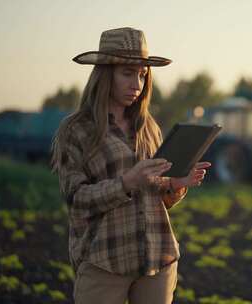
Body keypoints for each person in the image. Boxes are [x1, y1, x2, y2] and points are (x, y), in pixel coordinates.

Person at [50, 27, 211, 304]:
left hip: (157, 258)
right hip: (104, 261)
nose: (137, 84)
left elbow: (159, 196)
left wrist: (175, 184)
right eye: (127, 73)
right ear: (104, 73)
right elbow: (77, 199)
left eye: (142, 75)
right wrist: (125, 183)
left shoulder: (149, 128)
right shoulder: (76, 130)